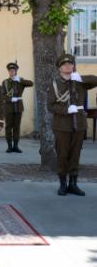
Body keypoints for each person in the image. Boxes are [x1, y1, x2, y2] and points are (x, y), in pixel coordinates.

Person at [47, 53, 97, 196]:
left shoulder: (79, 81)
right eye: (64, 64)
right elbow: (50, 106)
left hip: (79, 125)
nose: (68, 66)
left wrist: (81, 77)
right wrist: (65, 110)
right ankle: (63, 184)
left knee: (75, 155)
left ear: (73, 66)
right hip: (62, 125)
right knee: (62, 154)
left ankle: (73, 184)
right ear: (59, 68)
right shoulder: (55, 84)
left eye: (70, 64)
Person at [2, 62, 33, 153]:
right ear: (8, 72)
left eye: (13, 70)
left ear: (16, 71)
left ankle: (16, 146)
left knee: (16, 127)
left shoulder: (20, 80)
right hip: (8, 107)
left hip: (18, 107)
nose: (12, 72)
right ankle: (9, 146)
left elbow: (31, 83)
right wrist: (10, 99)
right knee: (8, 127)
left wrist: (20, 80)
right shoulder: (5, 82)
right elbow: (2, 95)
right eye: (10, 71)